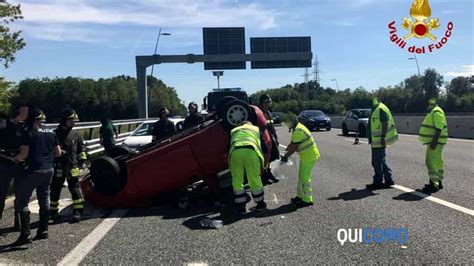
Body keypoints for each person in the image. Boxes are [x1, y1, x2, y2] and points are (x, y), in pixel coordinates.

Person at [13, 109, 61, 246]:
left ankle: (25, 235)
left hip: (33, 171)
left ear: (32, 119)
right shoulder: (52, 132)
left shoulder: (28, 133)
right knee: (44, 199)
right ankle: (43, 230)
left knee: (22, 202)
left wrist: (15, 158)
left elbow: (23, 155)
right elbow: (57, 153)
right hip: (48, 170)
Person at [50, 108, 87, 223]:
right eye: (71, 120)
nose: (73, 122)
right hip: (58, 166)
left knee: (75, 188)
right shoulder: (55, 134)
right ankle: (53, 212)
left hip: (73, 166)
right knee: (55, 189)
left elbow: (81, 149)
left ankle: (78, 211)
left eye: (74, 120)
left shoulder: (76, 134)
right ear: (63, 120)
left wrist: (83, 161)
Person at [229, 121, 268, 214]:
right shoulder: (255, 129)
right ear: (251, 124)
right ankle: (260, 204)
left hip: (235, 152)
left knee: (237, 180)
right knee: (254, 178)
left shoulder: (234, 130)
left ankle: (241, 207)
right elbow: (265, 148)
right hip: (250, 151)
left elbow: (228, 146)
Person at [281, 116, 320, 207]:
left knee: (304, 177)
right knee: (301, 176)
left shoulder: (298, 130)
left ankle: (307, 199)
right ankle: (300, 196)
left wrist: (285, 156)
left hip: (309, 156)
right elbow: (292, 143)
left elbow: (294, 146)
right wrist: (285, 152)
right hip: (307, 155)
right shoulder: (298, 128)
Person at [0, 104, 28, 227]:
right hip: (4, 164)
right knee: (1, 195)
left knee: (20, 194)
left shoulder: (23, 127)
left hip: (19, 164)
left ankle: (19, 222)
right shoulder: (3, 126)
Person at [366, 97, 398, 190]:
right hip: (377, 140)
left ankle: (377, 182)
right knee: (381, 161)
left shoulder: (380, 109)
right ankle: (388, 180)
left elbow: (385, 123)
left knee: (376, 162)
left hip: (379, 140)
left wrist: (383, 137)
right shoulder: (377, 108)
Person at [418, 98, 448, 192]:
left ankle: (434, 185)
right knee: (438, 163)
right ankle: (438, 182)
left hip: (436, 142)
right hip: (435, 141)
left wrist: (434, 142)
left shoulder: (436, 112)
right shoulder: (433, 111)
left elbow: (439, 128)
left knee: (431, 163)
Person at [258, 94, 280, 184]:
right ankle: (264, 176)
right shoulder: (259, 112)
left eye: (268, 102)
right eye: (266, 102)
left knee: (274, 156)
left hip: (271, 137)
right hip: (265, 139)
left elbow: (271, 125)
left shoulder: (267, 111)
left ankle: (269, 173)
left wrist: (275, 137)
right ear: (262, 103)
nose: (268, 104)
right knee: (266, 157)